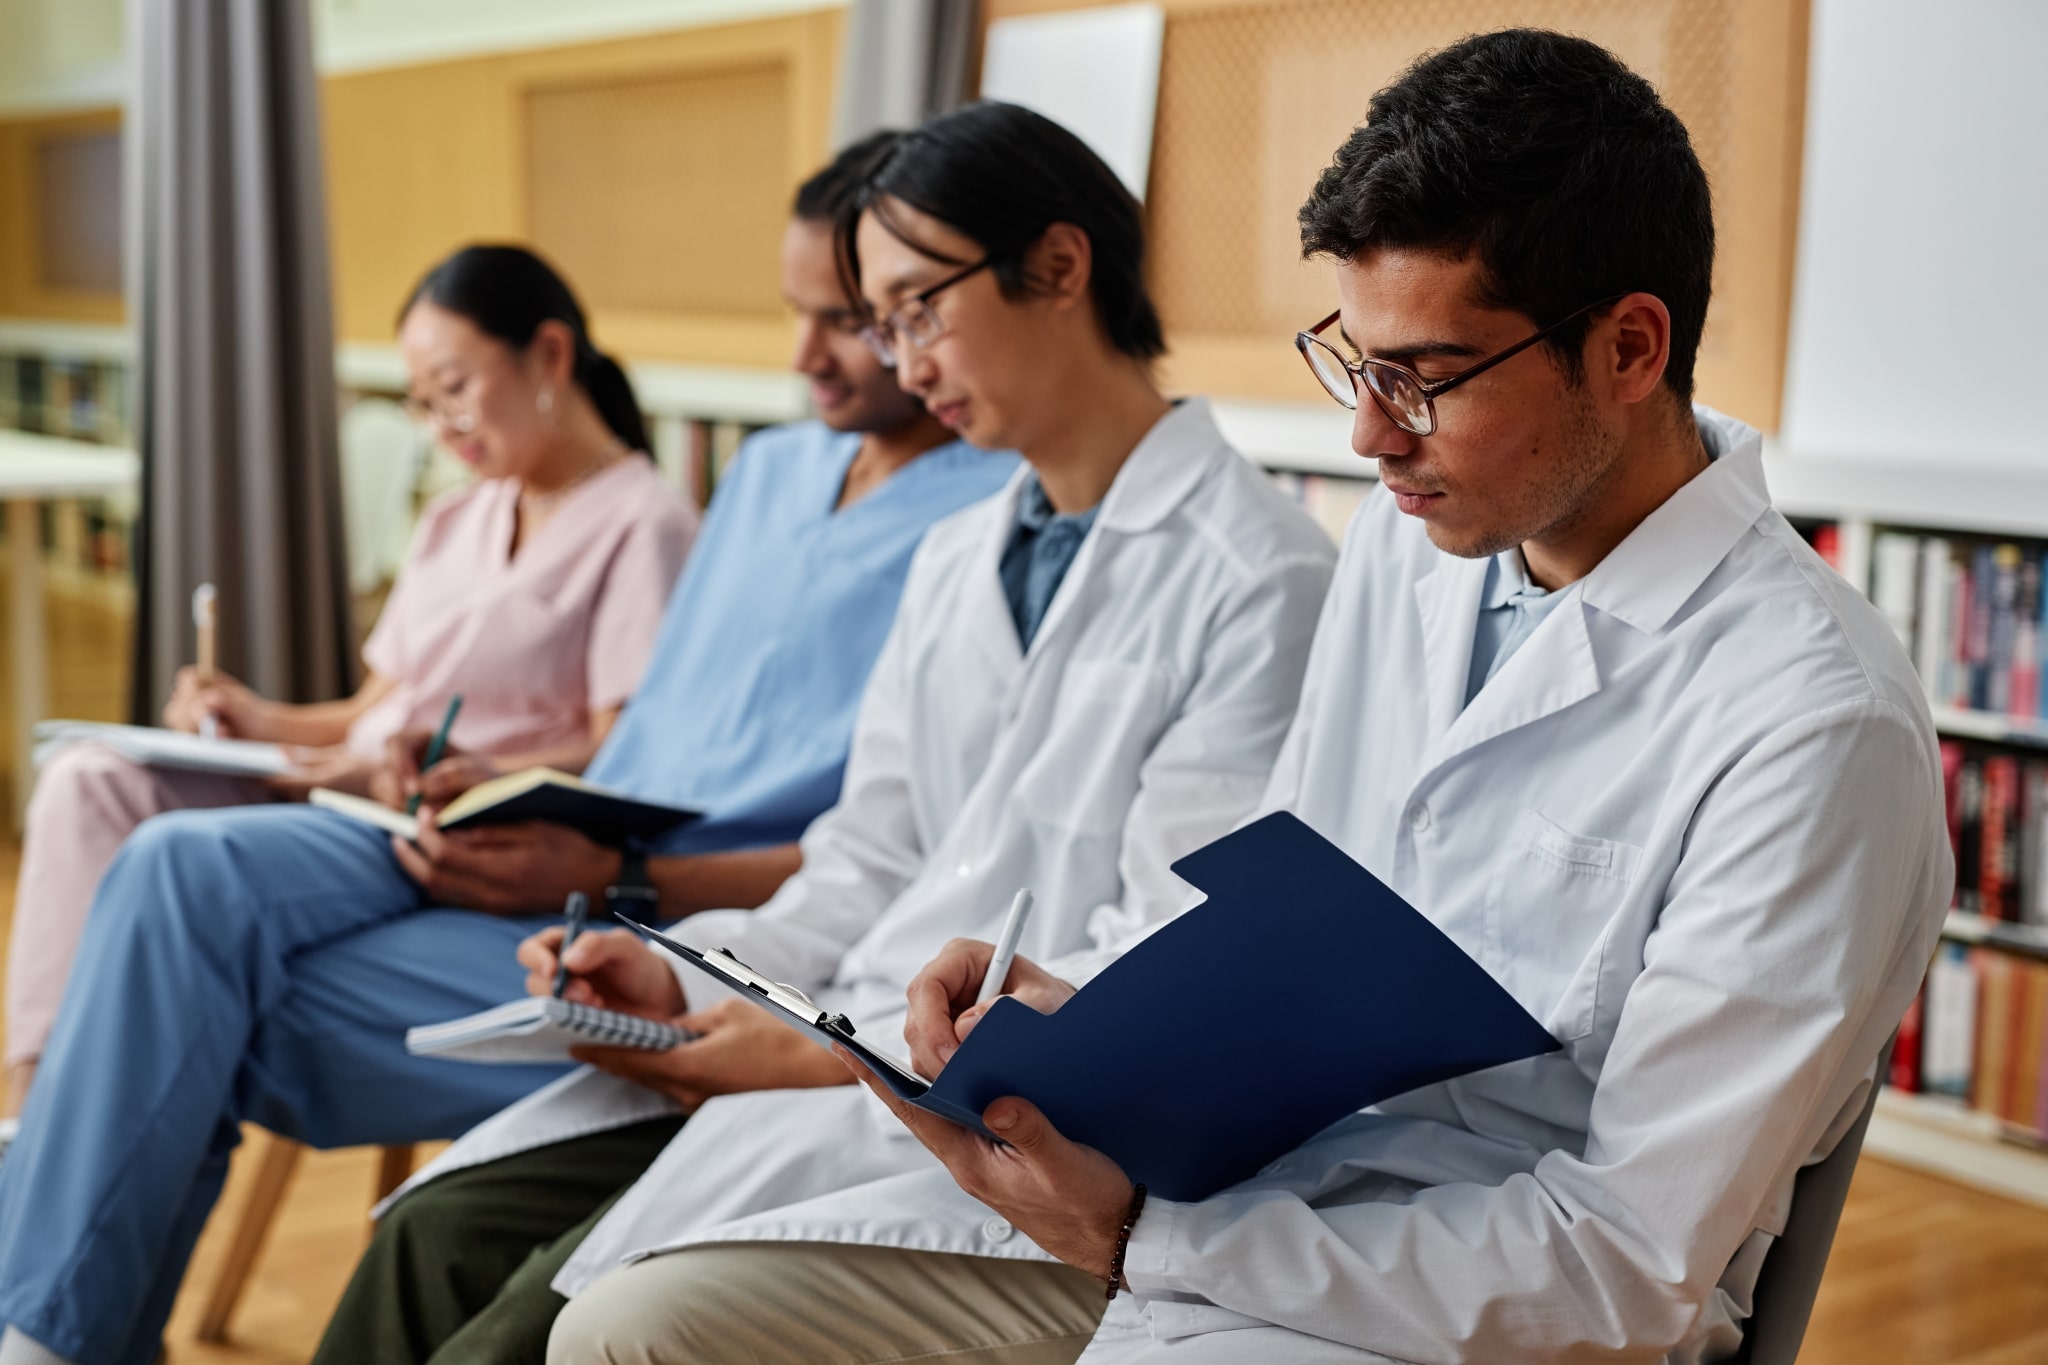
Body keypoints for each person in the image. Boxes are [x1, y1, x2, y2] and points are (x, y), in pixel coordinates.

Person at [579, 31, 1951, 1365]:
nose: (1367, 434)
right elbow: (1282, 929)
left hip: (1472, 1306)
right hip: (1243, 1199)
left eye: (1420, 379)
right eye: (1354, 362)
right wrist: (1082, 1024)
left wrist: (1148, 1239)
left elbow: (1626, 1264)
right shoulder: (1411, 564)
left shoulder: (1811, 725)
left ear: (1631, 349)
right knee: (632, 1328)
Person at [312, 101, 1335, 1365]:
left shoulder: (1259, 575)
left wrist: (810, 1061)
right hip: (823, 1057)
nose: (900, 363)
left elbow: (1146, 970)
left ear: (1060, 268)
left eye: (915, 308)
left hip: (978, 1135)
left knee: (518, 1337)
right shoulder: (961, 556)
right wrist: (675, 982)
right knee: (424, 1239)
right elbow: (863, 856)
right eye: (880, 321)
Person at [0, 132, 1019, 1365]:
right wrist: (524, 802)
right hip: (578, 885)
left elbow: (897, 857)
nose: (806, 354)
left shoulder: (983, 528)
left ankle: (44, 1332)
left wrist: (631, 881)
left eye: (854, 318)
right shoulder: (765, 474)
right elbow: (640, 742)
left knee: (171, 1003)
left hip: (700, 942)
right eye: (802, 312)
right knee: (164, 929)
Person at [1, 244, 698, 1124]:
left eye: (455, 387)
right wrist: (250, 712)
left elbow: (620, 746)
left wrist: (456, 771)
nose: (441, 424)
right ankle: (28, 1108)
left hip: (428, 828)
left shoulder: (647, 523)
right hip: (341, 792)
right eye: (422, 402)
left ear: (550, 355)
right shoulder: (459, 514)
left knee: (159, 856)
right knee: (85, 775)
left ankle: (55, 1121)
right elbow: (373, 710)